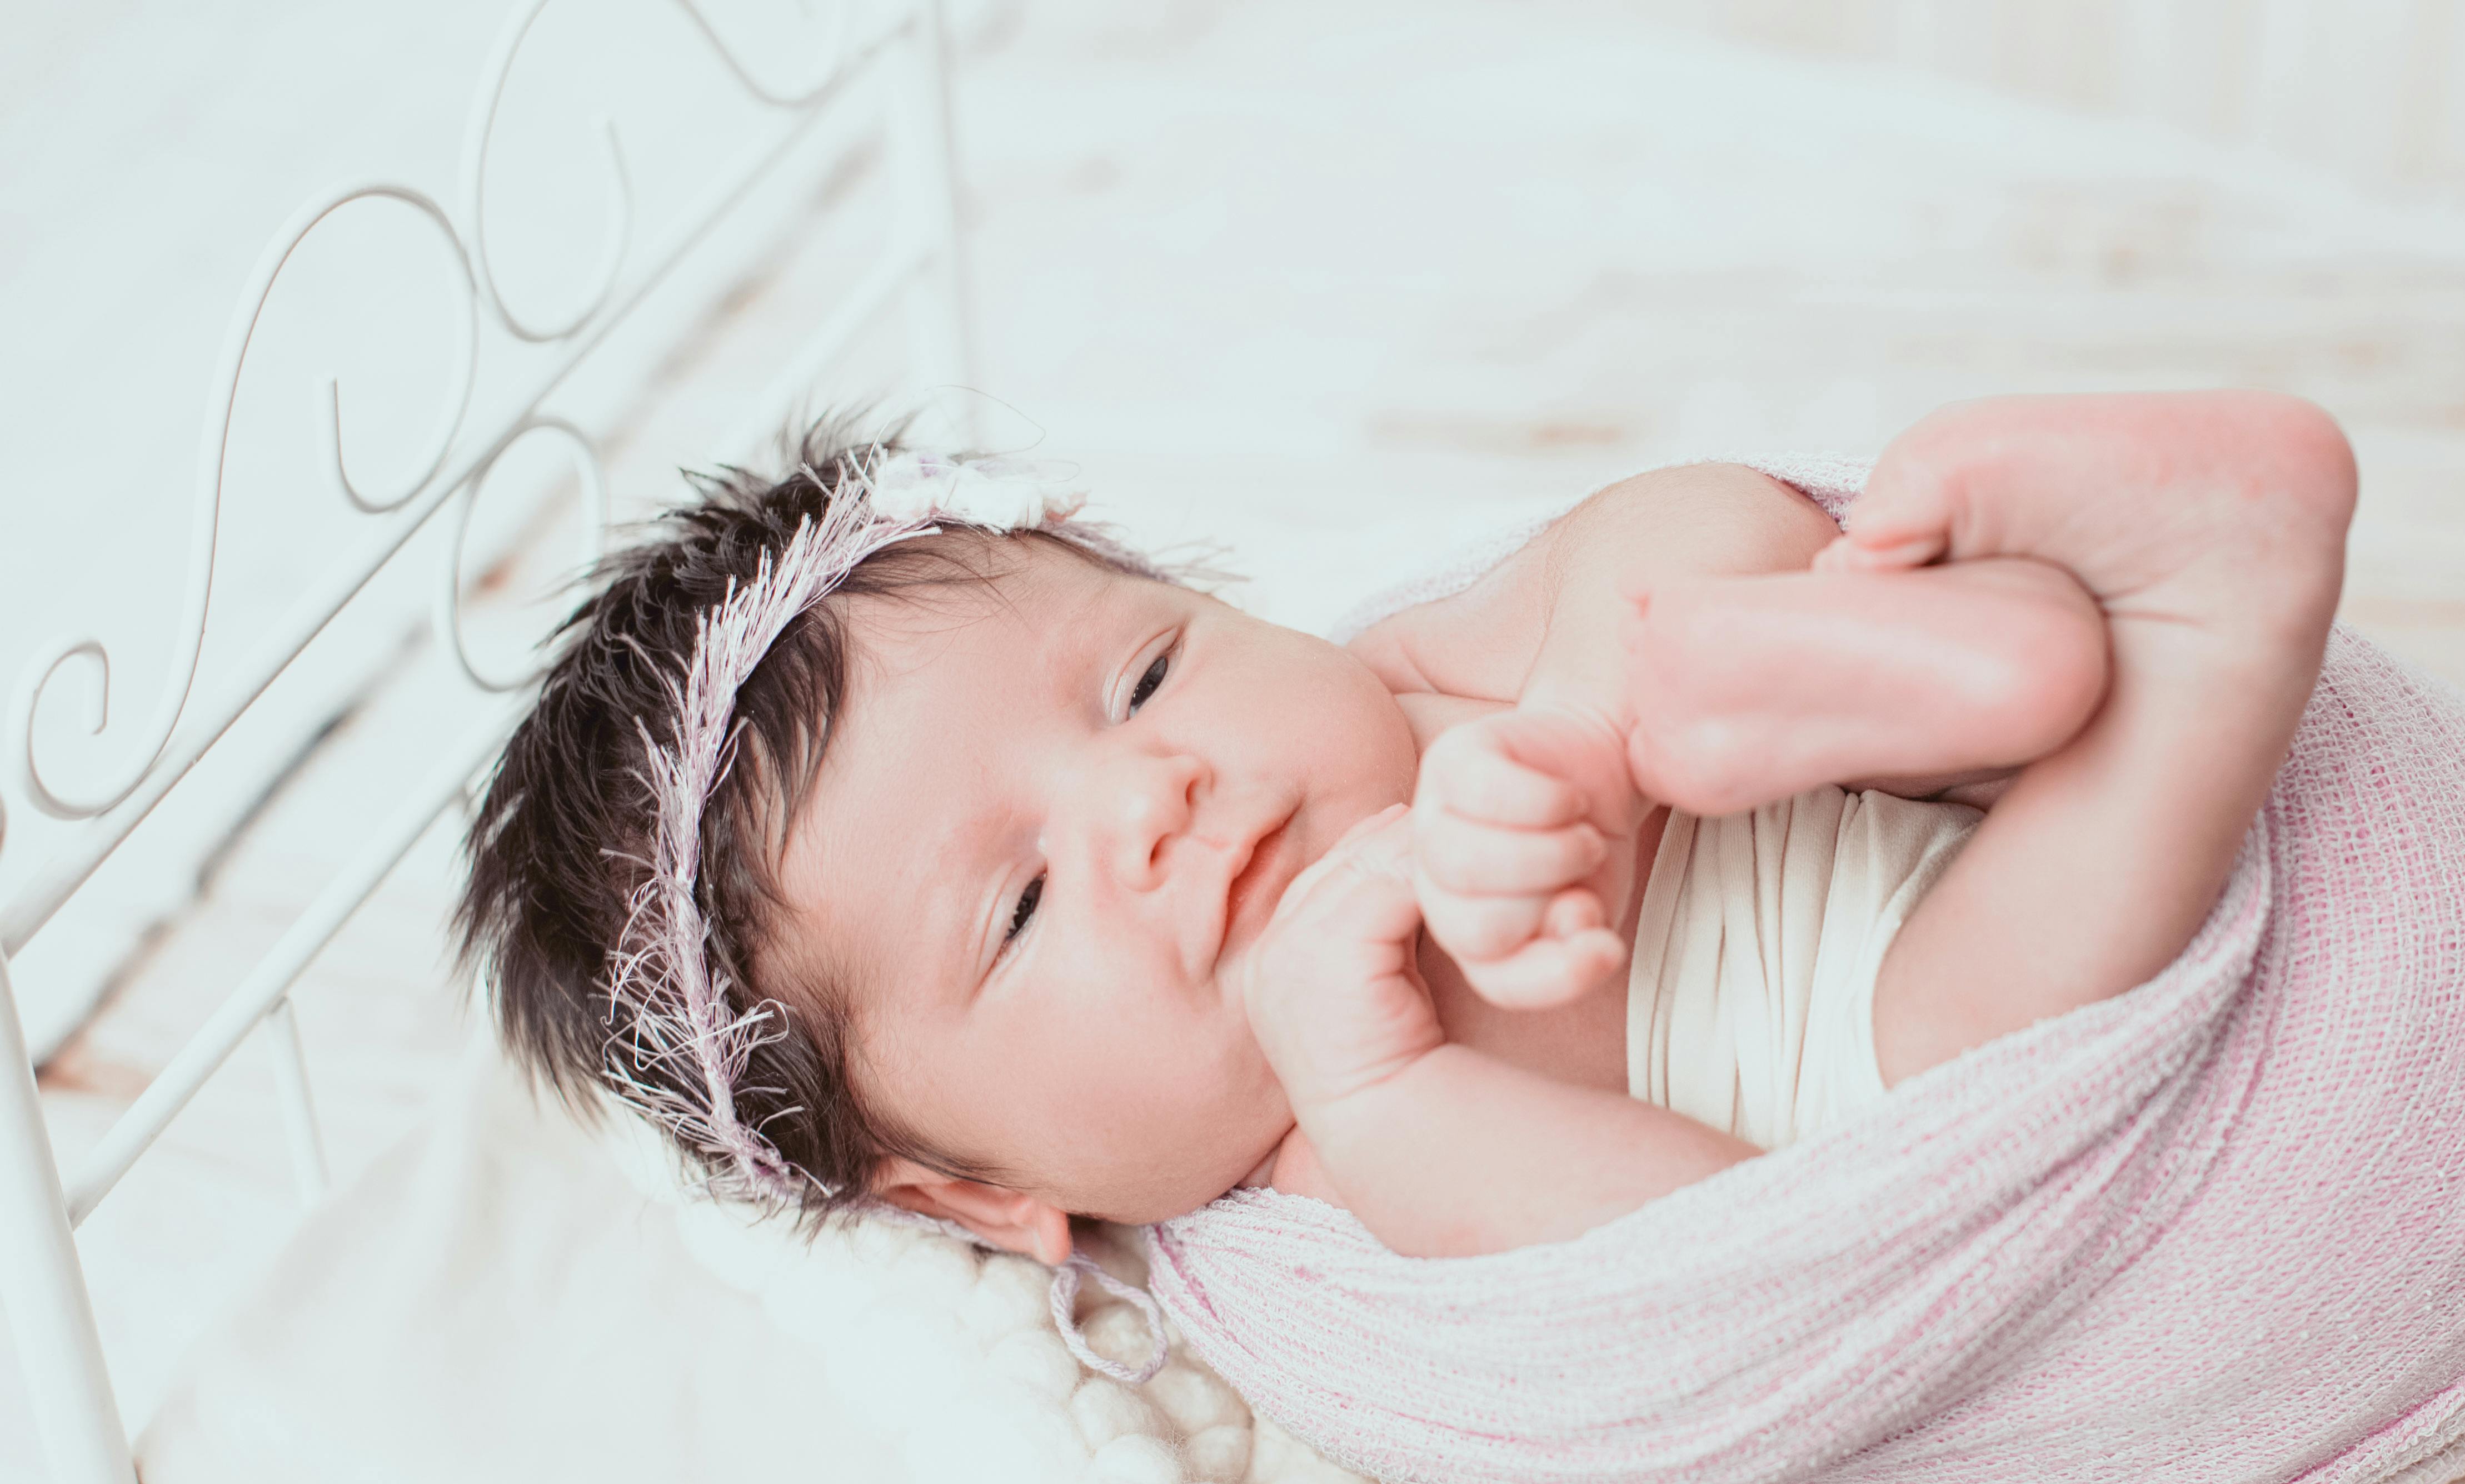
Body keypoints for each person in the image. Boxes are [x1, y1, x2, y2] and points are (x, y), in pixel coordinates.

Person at [458, 392, 2357, 1265]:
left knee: (1678, 578)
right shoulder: (1320, 1155)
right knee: (1953, 1023)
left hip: (1792, 763)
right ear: (977, 1190)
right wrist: (1383, 1088)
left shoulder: (1398, 678)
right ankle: (2170, 638)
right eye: (1024, 904)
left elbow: (1658, 513)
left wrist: (1585, 733)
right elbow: (1705, 1261)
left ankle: (1993, 663)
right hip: (1907, 1011)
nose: (1154, 799)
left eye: (1141, 679)